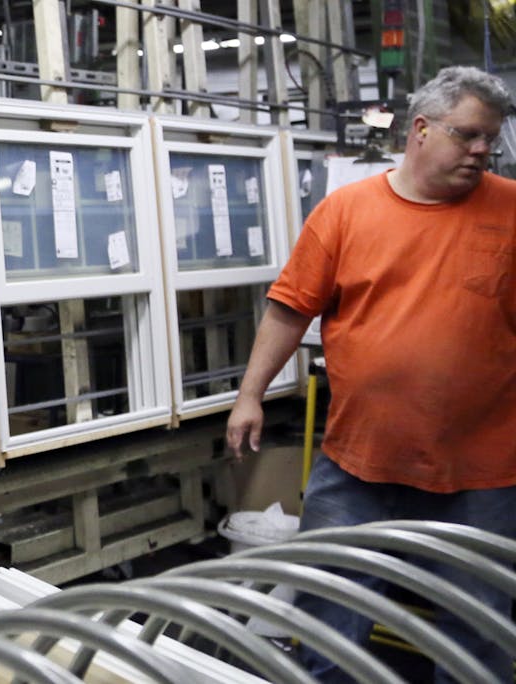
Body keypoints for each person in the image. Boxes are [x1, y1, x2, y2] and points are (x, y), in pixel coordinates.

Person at [226, 66, 515, 683]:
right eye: (467, 135)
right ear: (420, 129)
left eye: (492, 136)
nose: (483, 150)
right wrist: (250, 395)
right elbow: (289, 306)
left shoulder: (512, 211)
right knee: (330, 609)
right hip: (360, 459)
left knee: (478, 623)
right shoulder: (346, 211)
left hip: (483, 469)